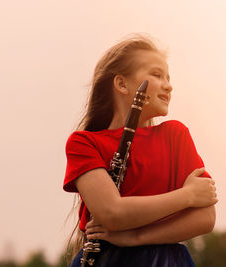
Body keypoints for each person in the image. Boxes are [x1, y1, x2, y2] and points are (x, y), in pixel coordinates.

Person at [63, 34, 217, 267]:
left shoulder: (175, 135)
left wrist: (135, 237)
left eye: (168, 77)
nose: (169, 85)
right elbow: (112, 212)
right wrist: (188, 196)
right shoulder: (83, 143)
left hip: (164, 261)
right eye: (156, 74)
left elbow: (205, 218)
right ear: (122, 84)